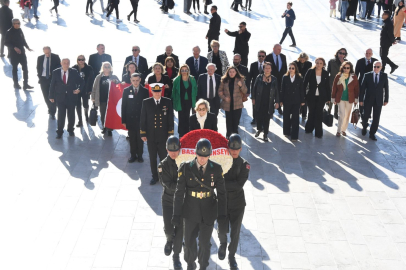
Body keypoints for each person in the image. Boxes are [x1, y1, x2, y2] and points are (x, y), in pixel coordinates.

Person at [172, 139, 226, 270]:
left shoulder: (217, 169)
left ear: (210, 155)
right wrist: (176, 214)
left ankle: (203, 266)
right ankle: (190, 264)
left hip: (208, 211)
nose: (202, 159)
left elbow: (222, 194)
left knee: (204, 244)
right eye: (200, 156)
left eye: (206, 156)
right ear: (195, 154)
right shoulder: (186, 168)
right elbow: (179, 193)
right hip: (190, 210)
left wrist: (223, 216)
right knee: (189, 242)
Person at [217, 134, 249, 270]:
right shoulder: (222, 163)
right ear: (228, 148)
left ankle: (231, 256)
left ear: (241, 149)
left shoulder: (244, 165)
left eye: (236, 149)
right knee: (222, 229)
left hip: (237, 204)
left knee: (235, 232)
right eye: (232, 148)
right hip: (223, 202)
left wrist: (222, 184)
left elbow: (238, 185)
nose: (234, 151)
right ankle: (223, 244)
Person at [157, 136, 183, 270]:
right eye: (171, 151)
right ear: (167, 150)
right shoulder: (162, 165)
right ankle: (169, 240)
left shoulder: (184, 163)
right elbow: (167, 184)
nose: (174, 153)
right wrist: (183, 185)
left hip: (182, 204)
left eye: (176, 150)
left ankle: (176, 257)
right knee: (169, 228)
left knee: (179, 231)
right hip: (168, 201)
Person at [140, 84, 174, 185]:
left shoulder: (167, 101)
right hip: (151, 135)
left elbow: (170, 118)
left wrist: (170, 133)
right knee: (152, 157)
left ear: (161, 91)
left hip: (163, 135)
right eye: (155, 92)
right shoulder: (146, 102)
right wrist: (143, 133)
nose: (157, 93)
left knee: (163, 157)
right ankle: (155, 176)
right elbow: (143, 118)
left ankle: (164, 176)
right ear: (152, 92)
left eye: (159, 91)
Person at [49, 58, 85, 138]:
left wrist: (79, 89)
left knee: (71, 114)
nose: (66, 64)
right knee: (61, 115)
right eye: (64, 63)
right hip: (60, 97)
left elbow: (82, 81)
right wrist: (51, 96)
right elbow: (52, 84)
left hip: (71, 97)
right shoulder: (56, 72)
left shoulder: (74, 72)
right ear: (61, 63)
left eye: (67, 63)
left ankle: (71, 130)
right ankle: (60, 131)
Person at [122, 73, 149, 163]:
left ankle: (140, 155)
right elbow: (124, 106)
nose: (135, 82)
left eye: (137, 80)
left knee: (140, 138)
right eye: (133, 80)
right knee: (132, 138)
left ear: (140, 80)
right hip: (130, 119)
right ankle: (133, 155)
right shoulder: (126, 90)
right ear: (131, 80)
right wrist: (124, 120)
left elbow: (146, 107)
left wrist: (146, 120)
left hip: (141, 119)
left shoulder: (145, 91)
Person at [359, 61, 389, 141]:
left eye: (377, 67)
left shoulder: (384, 76)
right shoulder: (367, 75)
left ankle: (372, 133)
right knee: (365, 115)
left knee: (376, 118)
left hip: (378, 100)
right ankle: (364, 126)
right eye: (374, 66)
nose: (376, 68)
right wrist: (361, 100)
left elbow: (386, 88)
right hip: (368, 99)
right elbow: (362, 89)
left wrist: (386, 99)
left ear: (381, 67)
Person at [303, 57, 331, 138]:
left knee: (319, 114)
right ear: (315, 63)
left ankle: (318, 133)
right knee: (311, 112)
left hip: (321, 97)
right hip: (311, 96)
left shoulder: (325, 73)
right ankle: (309, 129)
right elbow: (304, 84)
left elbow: (327, 86)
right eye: (317, 63)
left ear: (323, 64)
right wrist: (303, 96)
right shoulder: (310, 71)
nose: (318, 65)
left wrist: (328, 98)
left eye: (320, 63)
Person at [251, 62, 279, 141]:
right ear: (263, 69)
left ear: (271, 69)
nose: (267, 70)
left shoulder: (274, 79)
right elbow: (254, 88)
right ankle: (259, 129)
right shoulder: (259, 77)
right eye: (266, 68)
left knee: (267, 118)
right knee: (259, 117)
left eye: (269, 68)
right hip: (259, 101)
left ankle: (265, 134)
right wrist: (253, 98)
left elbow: (276, 91)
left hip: (269, 102)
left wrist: (277, 102)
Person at [91, 62, 120, 136]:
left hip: (111, 100)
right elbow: (94, 88)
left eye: (108, 67)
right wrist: (93, 97)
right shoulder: (99, 77)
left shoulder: (114, 77)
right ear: (102, 68)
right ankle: (104, 128)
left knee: (110, 115)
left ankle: (110, 129)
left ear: (111, 68)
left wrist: (116, 82)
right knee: (103, 114)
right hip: (102, 99)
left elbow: (119, 85)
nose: (107, 68)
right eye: (105, 67)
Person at [331, 61, 359, 137]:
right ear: (342, 68)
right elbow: (334, 88)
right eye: (344, 68)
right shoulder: (338, 76)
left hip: (350, 99)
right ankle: (338, 130)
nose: (346, 69)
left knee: (347, 116)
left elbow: (356, 89)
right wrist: (333, 98)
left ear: (350, 69)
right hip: (340, 99)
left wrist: (356, 99)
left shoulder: (354, 77)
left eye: (348, 68)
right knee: (341, 115)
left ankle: (343, 130)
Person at [218, 66, 248, 139]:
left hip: (237, 104)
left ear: (236, 72)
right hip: (228, 104)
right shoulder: (224, 80)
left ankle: (235, 136)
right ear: (228, 72)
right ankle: (228, 135)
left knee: (236, 121)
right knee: (228, 121)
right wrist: (224, 98)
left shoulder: (240, 80)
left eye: (233, 72)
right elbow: (220, 91)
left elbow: (245, 91)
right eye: (230, 72)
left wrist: (241, 86)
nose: (231, 73)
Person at [5, 18, 33, 90]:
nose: (19, 24)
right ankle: (16, 84)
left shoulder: (20, 30)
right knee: (15, 69)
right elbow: (6, 43)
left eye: (19, 23)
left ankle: (25, 84)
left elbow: (23, 39)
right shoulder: (9, 32)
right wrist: (14, 47)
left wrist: (27, 47)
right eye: (18, 23)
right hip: (14, 54)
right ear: (14, 24)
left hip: (22, 53)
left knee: (25, 69)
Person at [280, 62, 305, 141]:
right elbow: (282, 89)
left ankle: (294, 136)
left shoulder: (299, 78)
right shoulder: (285, 77)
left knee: (295, 118)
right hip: (286, 100)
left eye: (292, 68)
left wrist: (302, 100)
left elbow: (302, 90)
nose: (291, 70)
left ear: (295, 69)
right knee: (286, 117)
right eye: (290, 68)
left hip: (296, 101)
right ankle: (286, 132)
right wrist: (281, 100)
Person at [172, 64, 198, 137]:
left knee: (188, 117)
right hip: (180, 101)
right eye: (182, 70)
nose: (184, 72)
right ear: (180, 71)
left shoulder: (192, 79)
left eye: (185, 70)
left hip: (190, 101)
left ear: (188, 71)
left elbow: (195, 90)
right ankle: (181, 133)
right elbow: (174, 92)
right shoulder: (177, 80)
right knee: (181, 117)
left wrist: (195, 102)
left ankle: (187, 132)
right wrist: (174, 103)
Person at [36, 46, 61, 120]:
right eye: (46, 53)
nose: (47, 54)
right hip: (43, 79)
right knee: (46, 96)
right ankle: (50, 109)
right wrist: (39, 77)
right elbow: (38, 67)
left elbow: (59, 67)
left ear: (50, 50)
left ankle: (53, 111)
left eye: (48, 52)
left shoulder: (55, 57)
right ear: (43, 52)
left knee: (53, 95)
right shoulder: (40, 58)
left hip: (52, 78)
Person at [355, 48, 377, 119]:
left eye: (369, 53)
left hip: (371, 84)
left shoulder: (375, 61)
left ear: (372, 54)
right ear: (364, 54)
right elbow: (356, 73)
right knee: (361, 99)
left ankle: (368, 113)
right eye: (366, 53)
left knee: (369, 99)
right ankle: (362, 113)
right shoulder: (360, 61)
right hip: (361, 83)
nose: (368, 55)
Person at [72, 55, 94, 126]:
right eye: (79, 59)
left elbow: (92, 79)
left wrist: (91, 89)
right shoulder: (74, 68)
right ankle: (80, 120)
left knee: (85, 105)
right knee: (77, 105)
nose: (81, 61)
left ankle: (87, 117)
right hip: (77, 90)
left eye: (82, 59)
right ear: (77, 60)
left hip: (86, 89)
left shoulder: (89, 68)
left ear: (85, 60)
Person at [265, 44, 286, 115]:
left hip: (280, 79)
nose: (280, 51)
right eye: (278, 49)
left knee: (279, 94)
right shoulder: (268, 57)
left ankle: (279, 108)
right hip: (271, 79)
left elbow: (285, 67)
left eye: (280, 49)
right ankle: (270, 110)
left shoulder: (283, 56)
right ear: (274, 49)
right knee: (270, 94)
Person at [328, 48, 347, 119]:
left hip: (341, 82)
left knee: (338, 97)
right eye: (340, 53)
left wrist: (343, 63)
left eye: (343, 54)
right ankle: (328, 111)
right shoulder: (331, 61)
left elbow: (348, 72)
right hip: (332, 81)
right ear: (337, 53)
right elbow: (328, 71)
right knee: (331, 97)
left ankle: (336, 113)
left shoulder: (346, 62)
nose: (342, 55)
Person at [248, 50, 266, 125]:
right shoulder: (253, 65)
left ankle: (262, 119)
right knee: (254, 104)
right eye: (259, 56)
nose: (261, 57)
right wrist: (248, 90)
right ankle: (255, 118)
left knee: (264, 104)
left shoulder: (268, 65)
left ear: (265, 57)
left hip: (265, 88)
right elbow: (249, 77)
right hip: (255, 88)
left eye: (262, 56)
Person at [293, 52, 312, 119]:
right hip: (297, 82)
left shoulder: (309, 64)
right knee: (297, 98)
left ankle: (304, 114)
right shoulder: (295, 63)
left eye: (304, 59)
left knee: (304, 99)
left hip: (305, 83)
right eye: (301, 59)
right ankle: (297, 112)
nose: (302, 60)